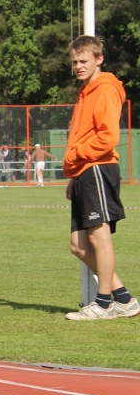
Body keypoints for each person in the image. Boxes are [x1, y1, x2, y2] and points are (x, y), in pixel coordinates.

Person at [62, 36, 138, 320]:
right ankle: (124, 299)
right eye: (74, 62)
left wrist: (78, 156)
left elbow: (108, 137)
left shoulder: (104, 88)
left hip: (98, 167)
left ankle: (103, 303)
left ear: (98, 59)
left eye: (84, 61)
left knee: (99, 238)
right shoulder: (86, 90)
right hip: (85, 170)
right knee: (78, 246)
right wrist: (74, 173)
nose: (78, 66)